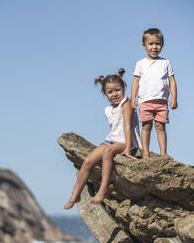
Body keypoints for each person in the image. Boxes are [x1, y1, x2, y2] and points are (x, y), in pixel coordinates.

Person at [64, 68, 141, 210]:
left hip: (126, 142)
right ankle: (75, 194)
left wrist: (128, 149)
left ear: (123, 88)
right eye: (110, 92)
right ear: (105, 93)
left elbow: (127, 126)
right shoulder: (109, 109)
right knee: (87, 162)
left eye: (117, 90)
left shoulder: (126, 103)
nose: (114, 94)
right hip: (112, 141)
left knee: (107, 153)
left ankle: (103, 190)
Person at [131, 28, 178, 160]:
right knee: (146, 126)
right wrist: (133, 98)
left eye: (157, 43)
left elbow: (172, 81)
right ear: (144, 45)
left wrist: (174, 97)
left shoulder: (166, 63)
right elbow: (136, 81)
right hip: (145, 101)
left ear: (162, 45)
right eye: (151, 44)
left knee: (160, 126)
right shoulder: (140, 64)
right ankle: (145, 153)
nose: (154, 47)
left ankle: (163, 152)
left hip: (162, 101)